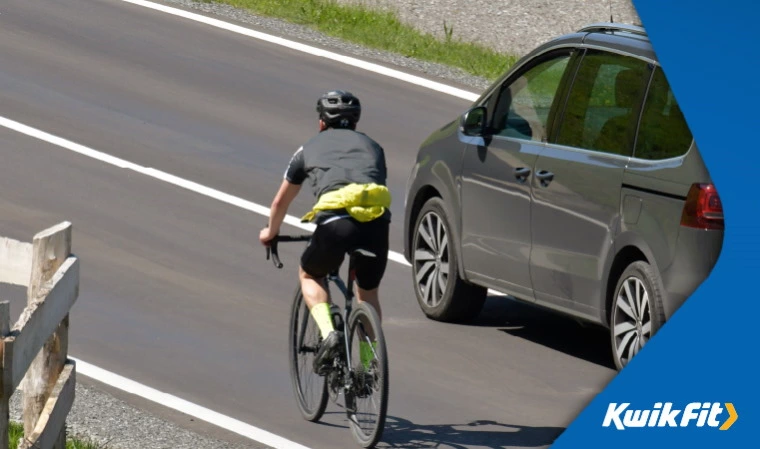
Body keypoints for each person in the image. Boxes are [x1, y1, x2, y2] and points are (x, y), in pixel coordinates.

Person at [259, 90, 391, 374]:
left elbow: (280, 201)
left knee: (310, 274)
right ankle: (369, 365)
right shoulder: (374, 147)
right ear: (355, 123)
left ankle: (329, 333)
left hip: (335, 222)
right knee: (367, 296)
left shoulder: (307, 149)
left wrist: (271, 232)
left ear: (321, 123)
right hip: (377, 224)